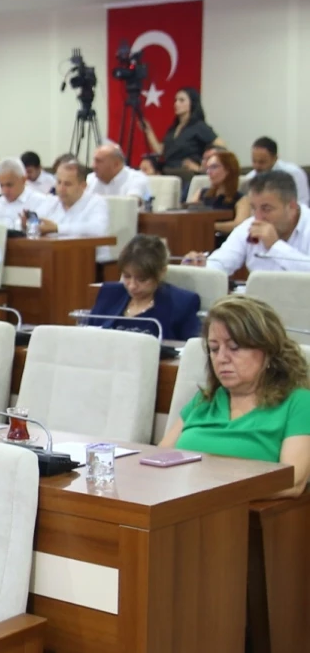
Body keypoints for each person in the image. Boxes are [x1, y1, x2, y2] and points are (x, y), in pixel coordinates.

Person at [158, 296, 310, 498]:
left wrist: (209, 488)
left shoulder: (298, 402)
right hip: (179, 506)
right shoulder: (205, 400)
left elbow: (293, 482)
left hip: (239, 512)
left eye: (234, 348)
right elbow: (158, 460)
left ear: (268, 351)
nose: (221, 358)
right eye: (214, 349)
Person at [83, 235, 201, 341]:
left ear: (161, 272)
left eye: (142, 279)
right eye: (127, 276)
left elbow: (192, 350)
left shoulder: (182, 304)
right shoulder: (109, 295)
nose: (132, 286)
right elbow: (88, 338)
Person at [196, 169, 310, 274]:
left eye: (266, 209)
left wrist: (275, 246)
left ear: (292, 207)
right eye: (254, 208)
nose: (258, 218)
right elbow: (220, 263)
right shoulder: (248, 227)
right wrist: (201, 266)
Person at [38, 158, 113, 261]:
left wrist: (57, 228)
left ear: (83, 186)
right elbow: (34, 221)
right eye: (59, 182)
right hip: (55, 259)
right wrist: (28, 225)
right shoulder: (51, 202)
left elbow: (98, 229)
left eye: (67, 184)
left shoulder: (96, 202)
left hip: (91, 263)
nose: (61, 189)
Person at [142, 87, 218, 177]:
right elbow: (160, 150)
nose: (176, 104)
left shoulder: (199, 126)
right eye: (175, 100)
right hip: (169, 174)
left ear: (192, 103)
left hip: (186, 176)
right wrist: (148, 131)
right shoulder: (173, 129)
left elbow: (221, 148)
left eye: (181, 100)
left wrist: (201, 168)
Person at [0, 157, 62, 230]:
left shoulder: (41, 202)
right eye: (1, 185)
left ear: (23, 180)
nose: (5, 191)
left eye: (9, 185)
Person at [199, 148, 250, 245]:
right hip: (199, 239)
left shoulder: (241, 199)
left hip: (225, 242)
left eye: (214, 167)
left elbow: (240, 224)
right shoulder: (201, 193)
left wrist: (212, 226)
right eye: (208, 168)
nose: (209, 172)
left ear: (228, 169)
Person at [241, 136, 310, 205]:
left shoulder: (294, 173)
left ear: (275, 158)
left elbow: (303, 204)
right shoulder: (250, 178)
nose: (257, 166)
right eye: (254, 161)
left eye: (262, 162)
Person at [86, 143, 152, 201]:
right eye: (94, 161)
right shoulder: (91, 178)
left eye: (99, 161)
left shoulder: (136, 179)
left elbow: (131, 204)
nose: (93, 166)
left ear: (116, 164)